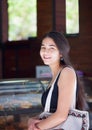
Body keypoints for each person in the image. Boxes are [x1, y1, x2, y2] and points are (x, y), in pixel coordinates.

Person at [28, 31, 86, 130]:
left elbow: (61, 115)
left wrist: (36, 127)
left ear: (61, 53)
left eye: (52, 48)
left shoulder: (66, 72)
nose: (46, 52)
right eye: (43, 47)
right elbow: (52, 110)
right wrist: (33, 120)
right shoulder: (56, 76)